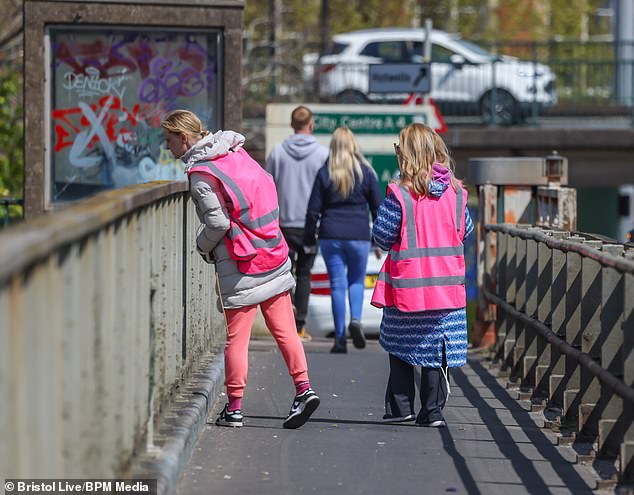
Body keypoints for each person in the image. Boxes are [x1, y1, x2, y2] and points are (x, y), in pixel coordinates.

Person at [161, 109, 320, 429]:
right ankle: (304, 390)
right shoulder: (233, 151)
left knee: (237, 338)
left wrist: (202, 245)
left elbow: (217, 223)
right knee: (286, 330)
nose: (167, 148)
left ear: (183, 138)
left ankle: (233, 408)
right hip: (272, 250)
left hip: (241, 262)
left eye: (168, 141)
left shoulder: (201, 175)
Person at [371, 123, 473, 428]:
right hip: (447, 289)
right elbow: (465, 231)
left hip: (409, 288)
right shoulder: (456, 193)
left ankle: (401, 406)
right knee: (438, 348)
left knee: (400, 343)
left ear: (407, 155)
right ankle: (433, 411)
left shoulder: (400, 194)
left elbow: (382, 236)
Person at [304, 127, 382, 354]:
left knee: (337, 285)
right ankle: (355, 320)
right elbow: (377, 208)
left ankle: (340, 338)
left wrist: (310, 239)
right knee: (356, 280)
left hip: (331, 235)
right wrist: (378, 240)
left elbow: (312, 211)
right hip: (359, 235)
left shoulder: (324, 172)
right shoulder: (366, 173)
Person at [266, 106, 329, 342]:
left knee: (281, 276)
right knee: (304, 275)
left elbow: (267, 186)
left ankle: (283, 325)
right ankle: (299, 326)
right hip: (310, 225)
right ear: (310, 125)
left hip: (282, 224)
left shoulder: (278, 152)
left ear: (292, 125)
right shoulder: (323, 155)